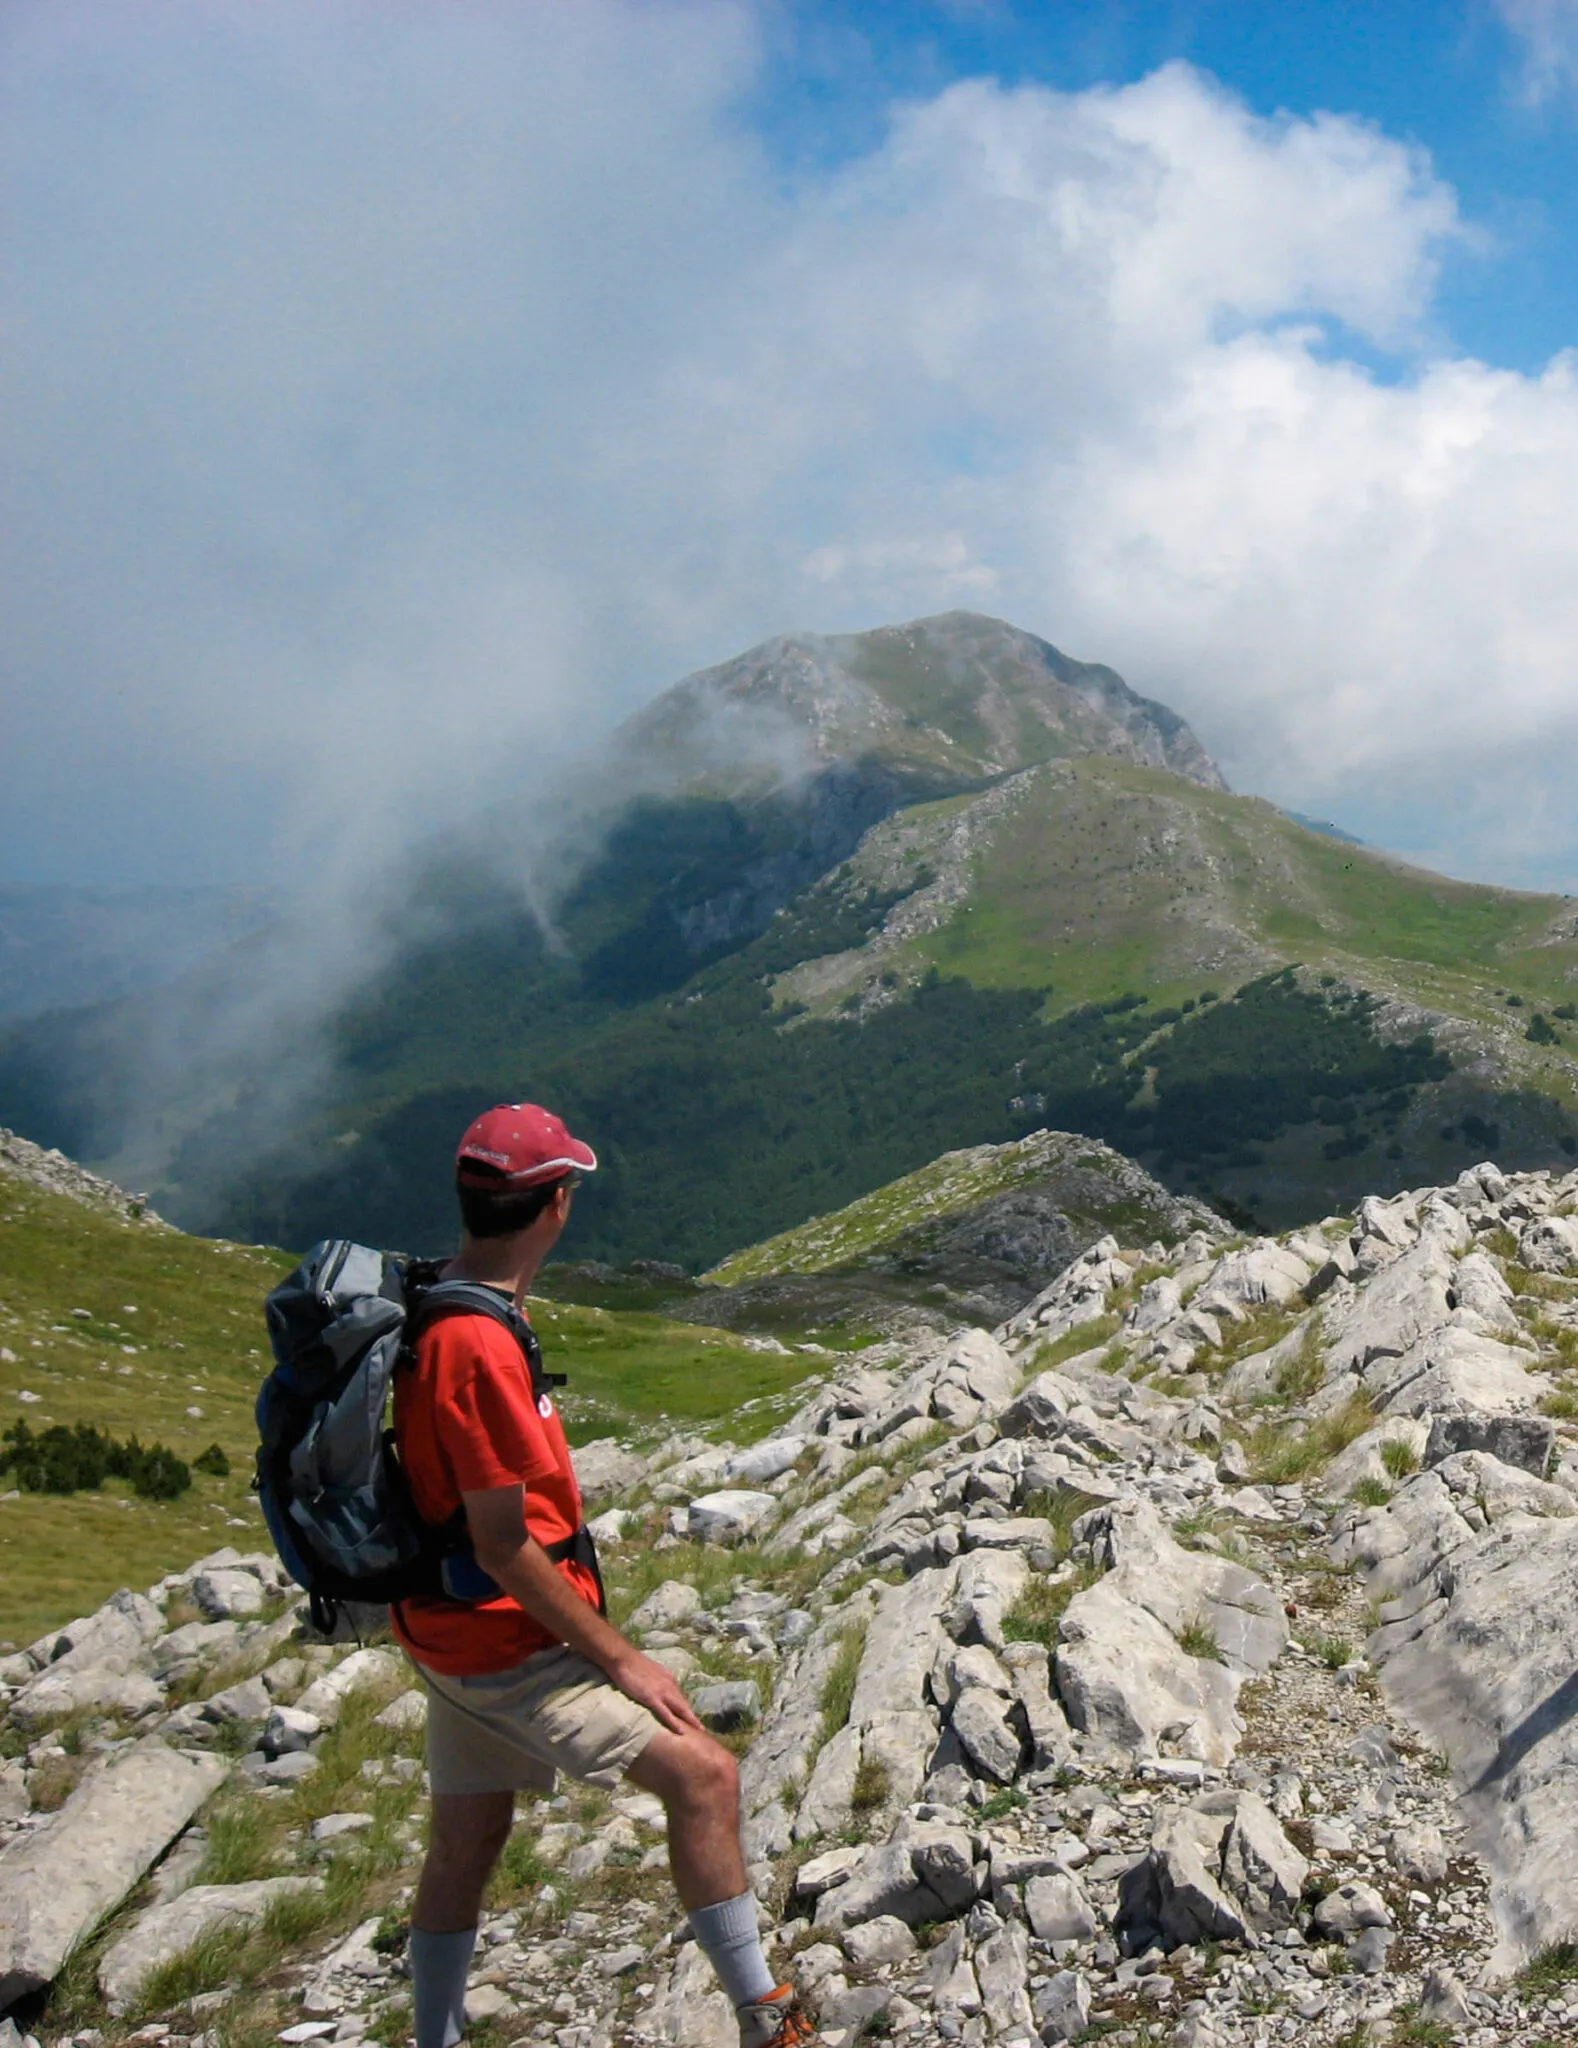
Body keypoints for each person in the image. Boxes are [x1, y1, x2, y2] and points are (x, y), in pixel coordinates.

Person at [391, 1102, 817, 2048]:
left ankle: (433, 2037)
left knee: (469, 1834)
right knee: (704, 1777)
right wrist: (625, 1661)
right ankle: (767, 2019)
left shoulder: (460, 1301)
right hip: (506, 1644)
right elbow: (503, 1544)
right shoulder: (477, 1344)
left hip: (449, 1632)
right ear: (555, 1207)